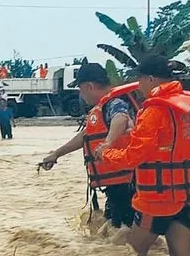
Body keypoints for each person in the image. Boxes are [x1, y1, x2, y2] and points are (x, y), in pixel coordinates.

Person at [100, 55, 190, 256]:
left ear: (150, 79)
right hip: (187, 194)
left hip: (158, 199)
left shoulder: (153, 111)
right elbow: (170, 143)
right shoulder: (188, 108)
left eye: (140, 80)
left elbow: (133, 157)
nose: (138, 86)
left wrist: (106, 153)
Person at [39, 62, 139, 228]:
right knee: (117, 232)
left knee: (123, 231)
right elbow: (86, 136)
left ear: (89, 86)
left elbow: (121, 118)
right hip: (119, 183)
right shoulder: (104, 107)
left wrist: (107, 143)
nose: (81, 95)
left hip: (126, 183)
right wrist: (56, 154)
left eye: (80, 89)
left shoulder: (115, 103)